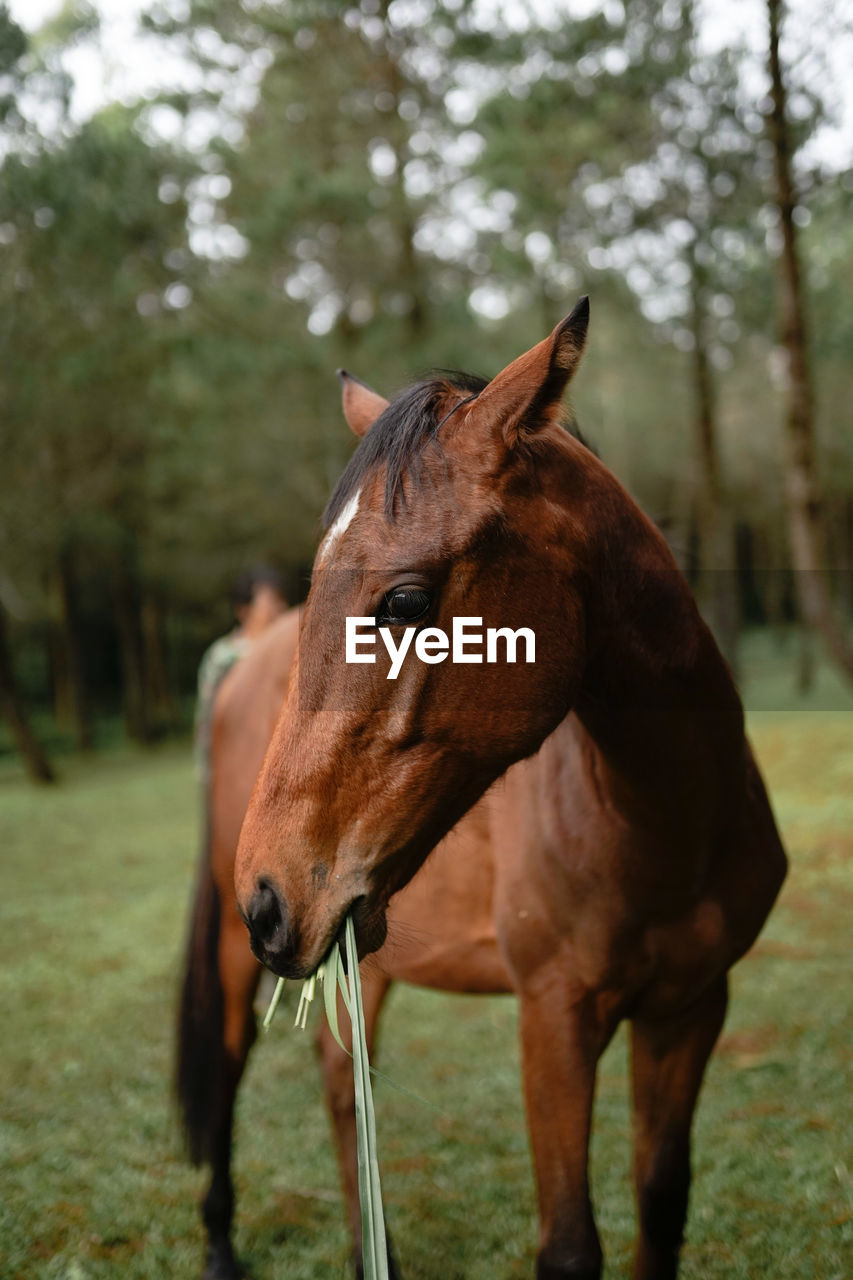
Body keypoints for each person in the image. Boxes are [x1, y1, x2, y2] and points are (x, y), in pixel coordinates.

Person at [194, 567, 288, 779]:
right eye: (271, 602)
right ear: (243, 610)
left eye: (281, 600)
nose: (280, 608)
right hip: (240, 771)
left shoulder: (292, 654)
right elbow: (208, 725)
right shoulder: (223, 658)